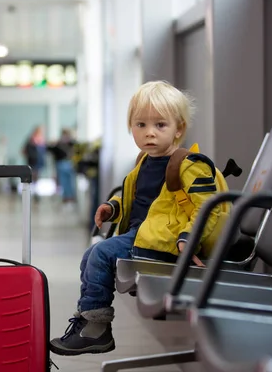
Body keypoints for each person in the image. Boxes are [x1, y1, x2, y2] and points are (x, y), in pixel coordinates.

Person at [50, 81, 230, 356]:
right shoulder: (144, 162)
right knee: (91, 256)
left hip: (166, 244)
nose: (149, 134)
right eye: (141, 125)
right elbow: (136, 199)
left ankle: (96, 328)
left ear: (178, 128)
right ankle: (91, 323)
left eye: (160, 125)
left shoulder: (189, 165)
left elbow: (208, 207)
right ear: (131, 128)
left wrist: (188, 238)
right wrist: (113, 208)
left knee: (100, 254)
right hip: (144, 235)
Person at [47, 128, 77, 205]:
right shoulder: (59, 144)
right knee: (64, 182)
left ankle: (70, 198)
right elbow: (50, 149)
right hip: (61, 164)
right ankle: (66, 198)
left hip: (68, 164)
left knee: (69, 182)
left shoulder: (71, 143)